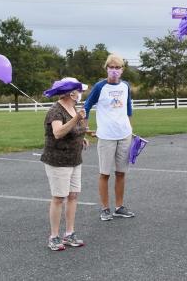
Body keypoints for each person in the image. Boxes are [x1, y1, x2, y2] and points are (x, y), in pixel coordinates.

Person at [83, 54, 135, 221]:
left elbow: (128, 109)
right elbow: (87, 105)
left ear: (122, 70)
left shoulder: (126, 86)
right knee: (104, 173)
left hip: (124, 135)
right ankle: (105, 208)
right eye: (111, 67)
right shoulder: (100, 86)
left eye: (117, 67)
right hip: (106, 136)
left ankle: (119, 207)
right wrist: (85, 127)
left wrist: (130, 128)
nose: (114, 71)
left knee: (121, 173)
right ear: (106, 68)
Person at [41, 77, 89, 251]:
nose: (81, 94)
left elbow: (72, 130)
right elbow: (58, 132)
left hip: (74, 159)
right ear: (71, 92)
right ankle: (54, 237)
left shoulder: (72, 107)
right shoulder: (55, 110)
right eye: (79, 91)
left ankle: (69, 233)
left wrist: (82, 137)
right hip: (58, 160)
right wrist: (77, 119)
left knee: (73, 195)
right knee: (59, 198)